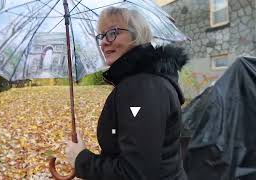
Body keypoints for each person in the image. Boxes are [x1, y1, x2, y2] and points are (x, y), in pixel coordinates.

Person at [65, 6, 188, 180]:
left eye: (113, 32)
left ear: (136, 35)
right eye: (101, 35)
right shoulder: (143, 81)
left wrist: (82, 160)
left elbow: (134, 173)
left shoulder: (141, 87)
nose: (104, 42)